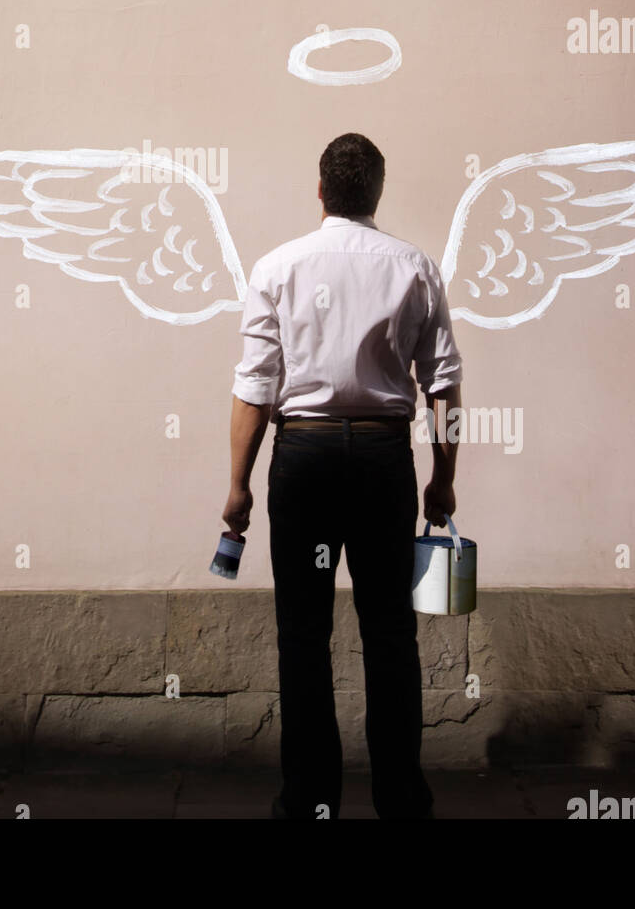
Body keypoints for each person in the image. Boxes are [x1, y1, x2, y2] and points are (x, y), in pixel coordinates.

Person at [223, 132, 463, 820]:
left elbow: (255, 390)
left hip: (303, 459)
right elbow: (443, 387)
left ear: (321, 189)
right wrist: (443, 479)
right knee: (390, 631)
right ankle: (402, 800)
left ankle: (308, 802)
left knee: (303, 634)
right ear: (377, 193)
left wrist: (238, 488)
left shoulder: (277, 268)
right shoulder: (414, 267)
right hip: (385, 461)